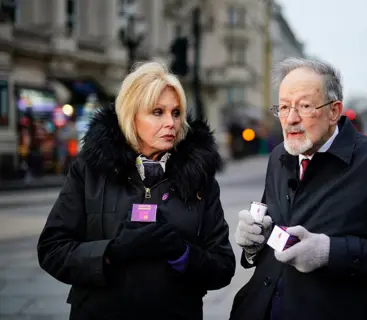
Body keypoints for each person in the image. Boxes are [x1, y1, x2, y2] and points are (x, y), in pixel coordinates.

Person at [229, 57, 367, 320]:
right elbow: (280, 230)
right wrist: (257, 241)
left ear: (334, 112)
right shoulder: (279, 155)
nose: (290, 119)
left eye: (304, 106)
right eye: (283, 107)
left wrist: (329, 252)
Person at [37, 60, 236, 320]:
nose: (171, 123)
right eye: (157, 112)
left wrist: (183, 253)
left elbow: (223, 266)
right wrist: (111, 253)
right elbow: (52, 250)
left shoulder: (200, 179)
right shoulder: (91, 170)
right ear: (131, 115)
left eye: (176, 113)